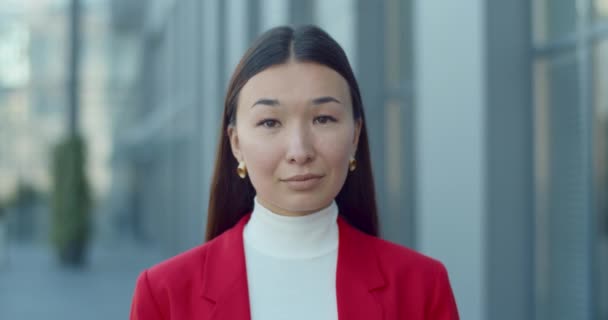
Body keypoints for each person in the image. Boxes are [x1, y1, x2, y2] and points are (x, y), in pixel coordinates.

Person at [129, 25, 459, 320]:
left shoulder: (421, 286)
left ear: (355, 134)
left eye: (323, 119)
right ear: (236, 143)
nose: (300, 151)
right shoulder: (165, 295)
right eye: (270, 122)